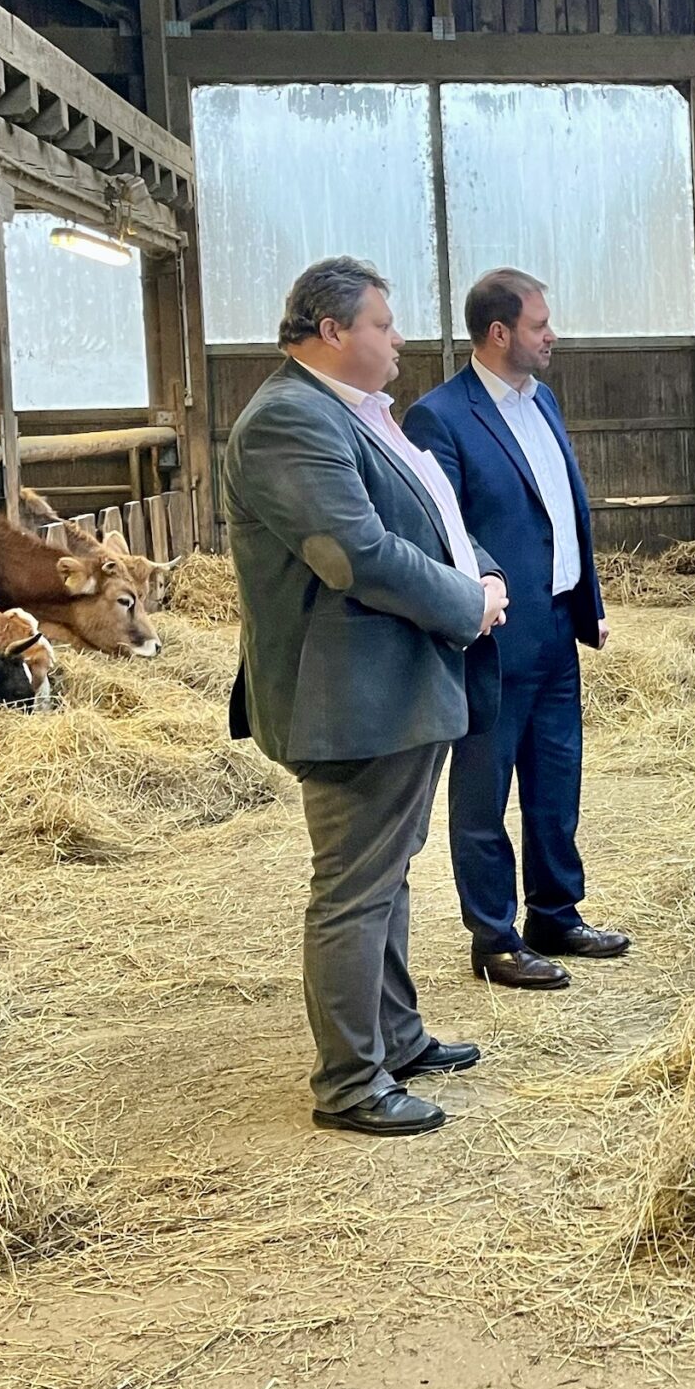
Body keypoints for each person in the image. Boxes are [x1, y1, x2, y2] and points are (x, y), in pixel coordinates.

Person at [224, 257, 508, 1138]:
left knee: (384, 874)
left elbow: (429, 517)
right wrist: (470, 603)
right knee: (353, 885)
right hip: (349, 695)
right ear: (331, 330)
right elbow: (358, 556)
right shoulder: (288, 422)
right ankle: (350, 1082)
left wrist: (480, 570)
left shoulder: (347, 414)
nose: (397, 339)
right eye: (383, 324)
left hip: (391, 685)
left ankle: (395, 1035)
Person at [404, 269, 629, 990]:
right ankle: (494, 935)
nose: (550, 334)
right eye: (538, 324)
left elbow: (561, 509)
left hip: (558, 624)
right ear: (499, 333)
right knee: (483, 788)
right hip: (494, 637)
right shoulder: (440, 417)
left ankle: (555, 913)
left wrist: (585, 597)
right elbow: (445, 529)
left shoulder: (544, 402)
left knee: (557, 779)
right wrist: (486, 594)